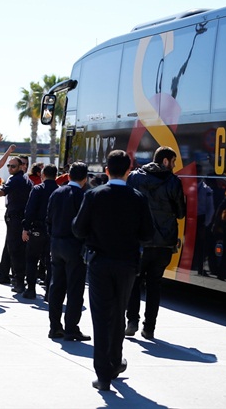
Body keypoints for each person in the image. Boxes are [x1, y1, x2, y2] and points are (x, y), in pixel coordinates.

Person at [72, 150, 154, 392]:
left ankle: (103, 375)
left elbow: (78, 229)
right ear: (128, 171)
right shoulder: (138, 197)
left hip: (99, 262)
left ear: (106, 170)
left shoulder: (94, 196)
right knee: (119, 314)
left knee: (100, 317)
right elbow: (148, 234)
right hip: (127, 264)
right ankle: (116, 361)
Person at [125, 146, 186, 340]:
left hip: (139, 240)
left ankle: (131, 321)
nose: (175, 166)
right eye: (174, 161)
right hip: (163, 243)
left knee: (134, 282)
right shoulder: (173, 182)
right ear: (166, 161)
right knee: (154, 286)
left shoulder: (134, 177)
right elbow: (181, 213)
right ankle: (149, 328)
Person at [46, 162, 89, 339]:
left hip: (56, 243)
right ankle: (71, 328)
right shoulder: (83, 196)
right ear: (85, 179)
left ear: (68, 175)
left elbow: (48, 219)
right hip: (74, 245)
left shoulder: (56, 192)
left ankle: (55, 326)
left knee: (56, 286)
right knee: (74, 289)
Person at [0, 156, 33, 294]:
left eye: (13, 166)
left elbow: (2, 192)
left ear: (21, 166)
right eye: (8, 166)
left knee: (15, 250)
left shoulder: (16, 179)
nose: (10, 168)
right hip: (18, 219)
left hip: (16, 219)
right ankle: (5, 275)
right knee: (11, 247)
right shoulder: (25, 179)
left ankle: (18, 282)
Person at [22, 164, 59, 299]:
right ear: (56, 176)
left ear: (42, 175)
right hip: (53, 231)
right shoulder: (59, 191)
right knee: (50, 263)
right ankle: (49, 292)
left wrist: (26, 228)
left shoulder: (37, 189)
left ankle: (30, 289)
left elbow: (29, 210)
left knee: (32, 259)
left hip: (37, 229)